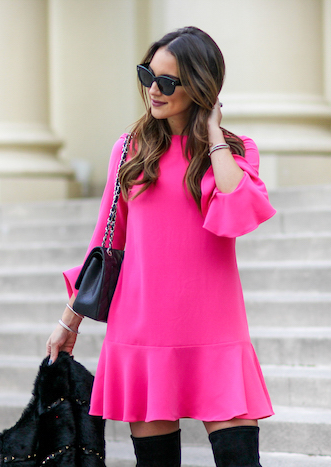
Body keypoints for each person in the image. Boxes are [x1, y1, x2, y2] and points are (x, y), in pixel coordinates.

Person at [46, 26, 276, 467]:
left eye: (168, 82)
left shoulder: (234, 150)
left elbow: (238, 214)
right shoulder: (129, 149)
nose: (154, 90)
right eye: (147, 75)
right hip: (143, 332)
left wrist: (212, 135)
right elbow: (106, 242)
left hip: (216, 332)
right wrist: (69, 322)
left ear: (200, 87)